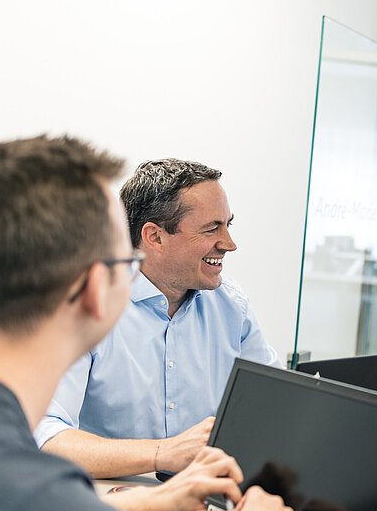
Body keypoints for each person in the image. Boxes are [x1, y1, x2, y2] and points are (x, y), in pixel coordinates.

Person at [0, 135, 305, 511]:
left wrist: (149, 503)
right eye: (122, 257)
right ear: (95, 288)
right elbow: (52, 508)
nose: (228, 243)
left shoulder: (4, 461)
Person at [35, 158, 283, 479]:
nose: (229, 244)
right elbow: (46, 439)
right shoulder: (86, 306)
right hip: (111, 498)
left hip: (202, 495)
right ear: (154, 237)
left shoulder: (232, 307)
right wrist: (162, 453)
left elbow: (276, 410)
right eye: (212, 229)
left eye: (228, 225)